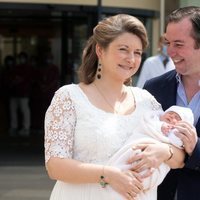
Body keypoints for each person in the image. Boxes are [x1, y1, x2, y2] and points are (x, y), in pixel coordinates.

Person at [44, 14, 184, 200]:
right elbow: (55, 166)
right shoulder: (69, 97)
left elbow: (179, 158)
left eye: (137, 52)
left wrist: (164, 152)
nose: (131, 59)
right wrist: (108, 175)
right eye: (123, 49)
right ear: (100, 51)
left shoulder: (147, 101)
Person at [143, 6, 200, 200]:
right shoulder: (153, 88)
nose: (170, 51)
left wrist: (196, 148)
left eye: (178, 44)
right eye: (168, 42)